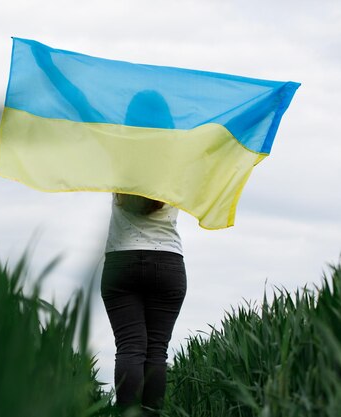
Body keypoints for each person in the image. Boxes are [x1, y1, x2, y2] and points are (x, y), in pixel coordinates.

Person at [101, 91, 186, 416]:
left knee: (130, 348)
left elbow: (80, 106)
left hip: (121, 261)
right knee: (156, 353)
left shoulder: (118, 152)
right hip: (167, 262)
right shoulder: (179, 157)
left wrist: (51, 70)